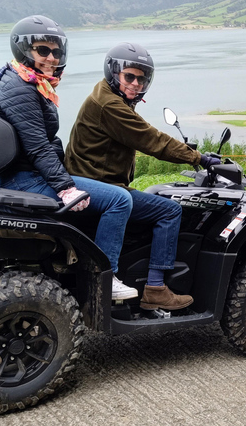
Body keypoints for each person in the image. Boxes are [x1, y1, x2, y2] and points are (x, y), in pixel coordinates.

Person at [64, 42, 220, 312]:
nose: (136, 83)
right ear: (114, 73)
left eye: (142, 78)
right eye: (130, 76)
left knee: (149, 200)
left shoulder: (106, 96)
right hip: (99, 186)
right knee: (169, 211)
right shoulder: (109, 105)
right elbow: (152, 140)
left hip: (91, 180)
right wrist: (199, 158)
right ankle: (156, 289)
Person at [0, 15, 137, 300]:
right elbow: (38, 148)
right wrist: (65, 187)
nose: (51, 57)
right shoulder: (22, 90)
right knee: (120, 200)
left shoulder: (24, 82)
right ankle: (104, 279)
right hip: (25, 179)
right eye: (42, 50)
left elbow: (44, 142)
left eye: (56, 51)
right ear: (23, 50)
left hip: (22, 172)